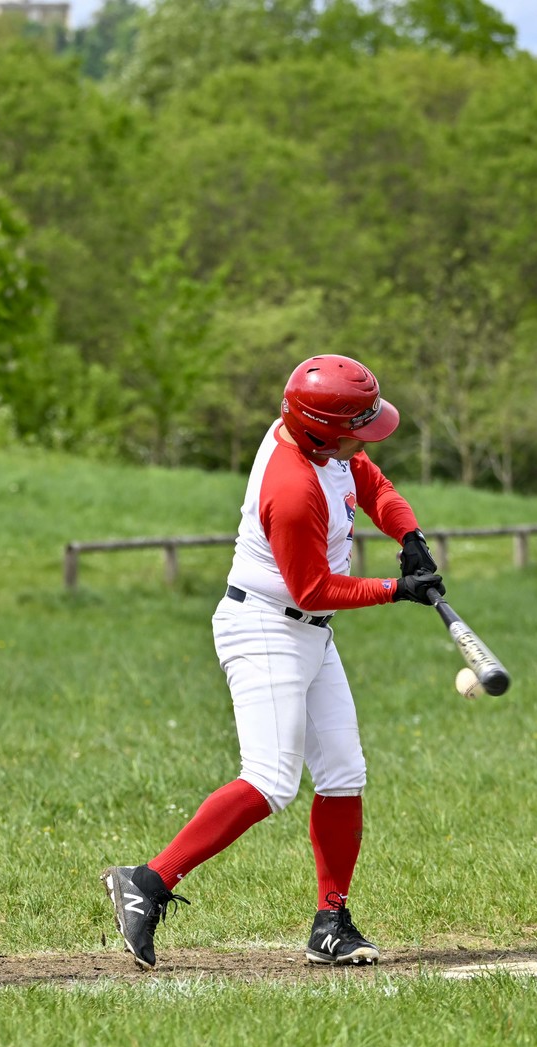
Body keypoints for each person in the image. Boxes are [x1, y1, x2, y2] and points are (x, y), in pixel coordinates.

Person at [101, 354, 446, 971]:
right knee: (271, 780)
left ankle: (331, 923)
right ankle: (146, 882)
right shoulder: (291, 488)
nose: (360, 442)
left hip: (309, 633)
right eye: (353, 430)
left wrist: (410, 536)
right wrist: (398, 591)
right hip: (265, 627)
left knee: (343, 773)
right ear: (318, 429)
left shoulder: (327, 449)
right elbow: (313, 589)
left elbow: (371, 482)